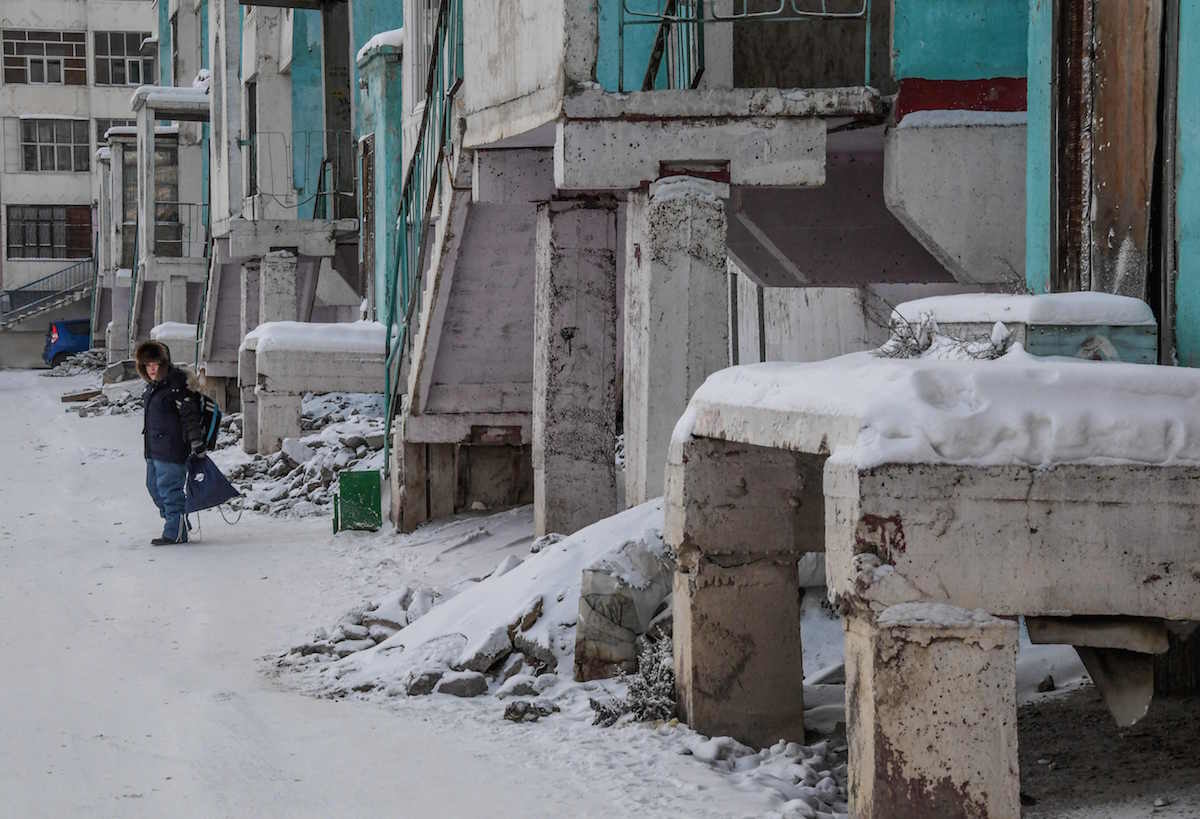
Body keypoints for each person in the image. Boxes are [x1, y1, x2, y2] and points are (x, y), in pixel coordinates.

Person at [136, 340, 206, 545]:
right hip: (153, 449)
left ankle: (175, 531)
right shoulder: (154, 386)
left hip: (172, 448)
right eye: (147, 365)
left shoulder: (176, 385)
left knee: (169, 490)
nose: (151, 369)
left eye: (155, 364)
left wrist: (196, 442)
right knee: (153, 487)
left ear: (164, 363)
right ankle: (179, 522)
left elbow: (190, 415)